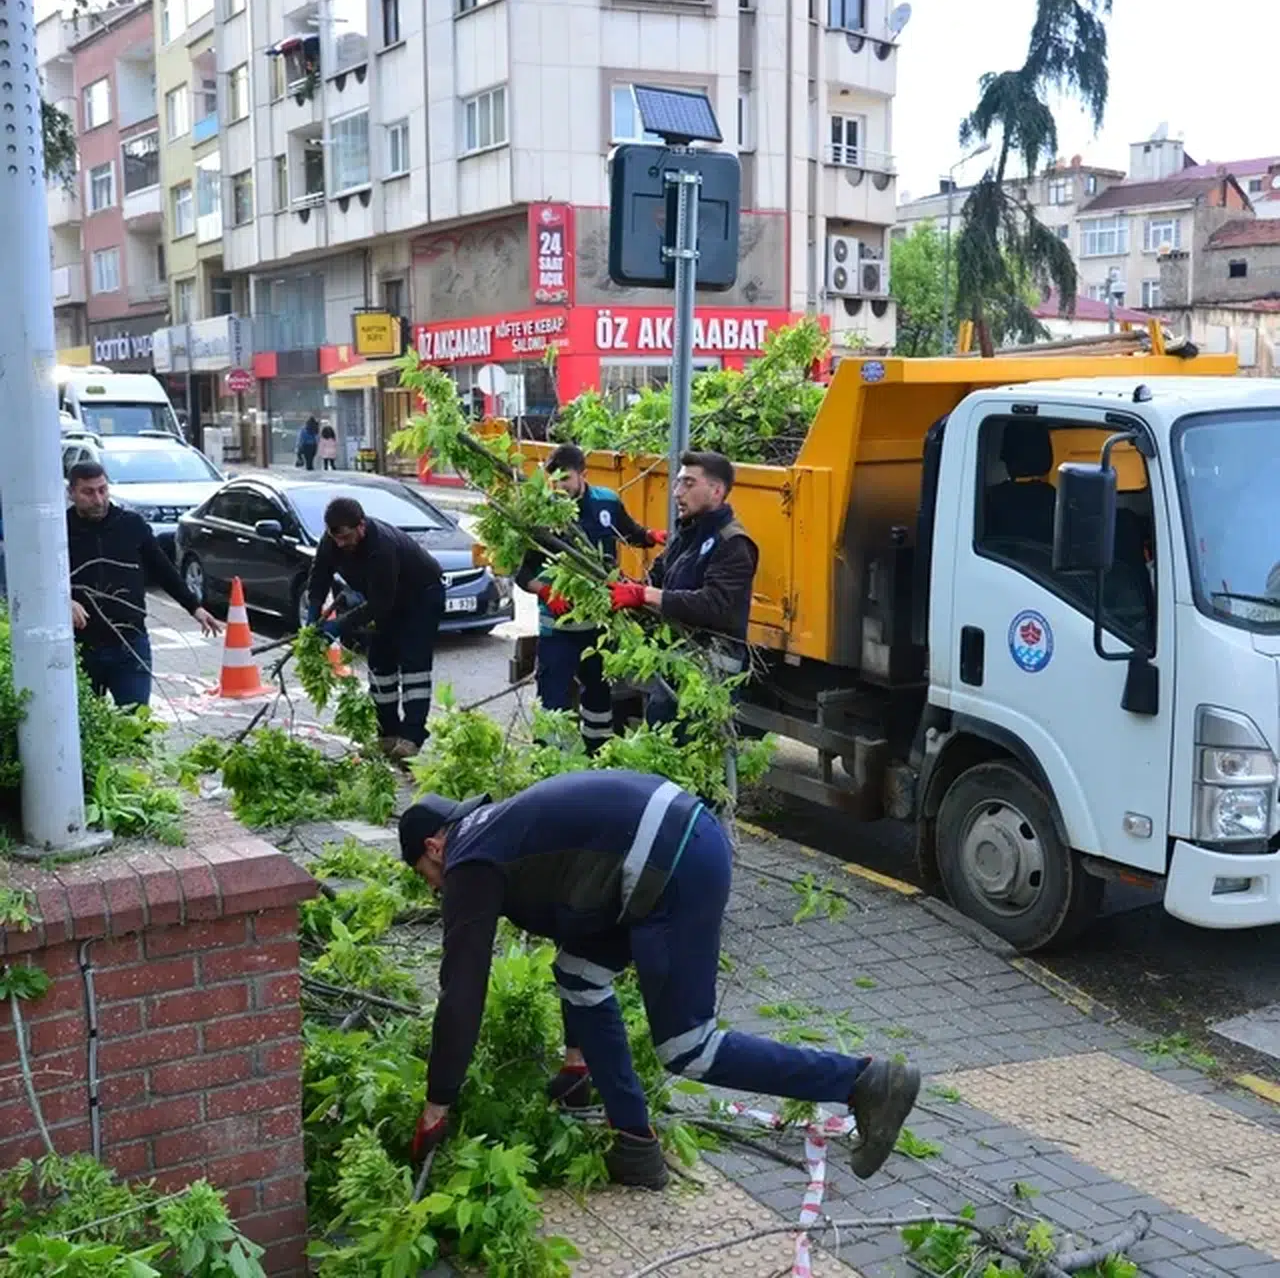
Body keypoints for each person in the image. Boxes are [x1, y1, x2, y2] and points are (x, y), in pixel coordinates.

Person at [400, 770, 920, 1189]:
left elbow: (462, 992)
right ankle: (634, 1143)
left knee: (689, 1047)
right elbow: (575, 914)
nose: (435, 891)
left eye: (426, 877)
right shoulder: (497, 832)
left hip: (670, 864)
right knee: (578, 974)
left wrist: (436, 1102)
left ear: (435, 846)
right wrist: (577, 1061)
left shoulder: (470, 858)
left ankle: (860, 1081)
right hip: (676, 842)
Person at [515, 445, 666, 751]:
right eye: (553, 480)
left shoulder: (606, 503)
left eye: (565, 480)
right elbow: (520, 572)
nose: (558, 487)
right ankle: (547, 764)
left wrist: (650, 536)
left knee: (598, 698)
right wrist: (543, 590)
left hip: (598, 628)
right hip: (557, 630)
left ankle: (598, 756)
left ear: (584, 475)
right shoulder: (540, 513)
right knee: (552, 704)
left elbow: (628, 531)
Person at [609, 451, 759, 725]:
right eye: (678, 483)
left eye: (688, 484)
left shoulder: (733, 543)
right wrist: (628, 589)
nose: (677, 493)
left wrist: (647, 595)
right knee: (659, 740)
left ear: (716, 491)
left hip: (709, 679)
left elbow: (714, 605)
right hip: (676, 669)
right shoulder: (688, 535)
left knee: (691, 755)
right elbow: (658, 578)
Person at [66, 461, 222, 708]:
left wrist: (195, 607)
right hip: (80, 648)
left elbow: (163, 569)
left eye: (103, 490)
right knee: (84, 730)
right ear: (71, 493)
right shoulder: (59, 530)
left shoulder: (131, 525)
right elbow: (34, 581)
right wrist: (63, 600)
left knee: (137, 725)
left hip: (130, 644)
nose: (98, 499)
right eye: (88, 492)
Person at [306, 496, 445, 760]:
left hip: (421, 596)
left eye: (345, 538)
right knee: (380, 665)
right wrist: (314, 613)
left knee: (413, 665)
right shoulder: (332, 541)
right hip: (385, 600)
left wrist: (339, 625)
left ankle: (412, 738)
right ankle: (387, 735)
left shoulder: (381, 546)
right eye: (335, 539)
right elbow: (320, 576)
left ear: (361, 526)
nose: (341, 544)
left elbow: (381, 603)